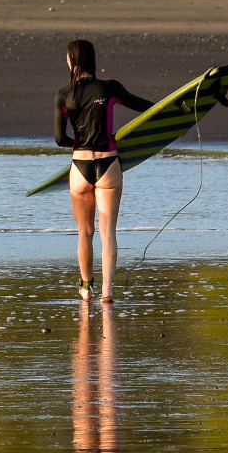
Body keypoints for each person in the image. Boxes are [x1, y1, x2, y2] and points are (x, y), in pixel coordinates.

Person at [55, 39, 152, 304]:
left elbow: (58, 137)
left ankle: (86, 288)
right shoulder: (110, 88)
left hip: (80, 167)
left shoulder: (64, 94)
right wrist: (174, 106)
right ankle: (107, 291)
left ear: (72, 61)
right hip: (108, 164)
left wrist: (76, 144)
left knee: (85, 232)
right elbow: (144, 107)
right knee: (108, 231)